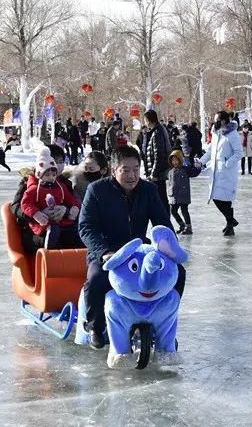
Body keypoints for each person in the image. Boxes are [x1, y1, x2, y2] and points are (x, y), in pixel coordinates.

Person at [78, 145, 186, 349]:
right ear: (113, 170)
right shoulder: (97, 190)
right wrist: (104, 252)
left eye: (136, 169)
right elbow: (86, 227)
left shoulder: (148, 190)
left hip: (138, 252)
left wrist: (168, 249)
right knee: (96, 279)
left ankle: (164, 321)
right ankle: (95, 326)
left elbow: (163, 223)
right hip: (106, 252)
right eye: (125, 170)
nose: (132, 175)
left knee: (177, 273)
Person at [11, 145, 77, 254]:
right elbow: (16, 207)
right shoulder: (28, 183)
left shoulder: (65, 183)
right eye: (55, 161)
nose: (58, 165)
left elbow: (73, 203)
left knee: (74, 235)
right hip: (37, 230)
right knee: (53, 237)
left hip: (62, 224)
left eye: (61, 161)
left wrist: (66, 211)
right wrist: (37, 214)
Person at [197, 111, 244, 236]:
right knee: (216, 198)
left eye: (217, 119)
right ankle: (230, 221)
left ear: (223, 120)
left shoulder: (232, 135)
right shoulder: (216, 133)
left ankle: (230, 224)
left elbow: (239, 152)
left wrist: (227, 163)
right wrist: (201, 162)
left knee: (226, 199)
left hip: (226, 172)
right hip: (216, 172)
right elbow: (210, 151)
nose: (215, 122)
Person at [142, 110, 171, 213]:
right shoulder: (156, 131)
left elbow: (159, 154)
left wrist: (154, 173)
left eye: (145, 120)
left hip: (158, 173)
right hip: (158, 172)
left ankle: (165, 222)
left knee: (161, 200)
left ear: (148, 120)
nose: (145, 123)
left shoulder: (157, 132)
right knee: (160, 199)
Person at [167, 150, 192, 235]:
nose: (174, 162)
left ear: (180, 160)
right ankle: (182, 225)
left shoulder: (185, 170)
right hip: (174, 196)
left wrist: (197, 166)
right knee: (173, 211)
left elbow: (194, 172)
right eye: (172, 160)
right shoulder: (170, 171)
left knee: (184, 210)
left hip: (183, 194)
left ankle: (188, 227)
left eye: (176, 160)